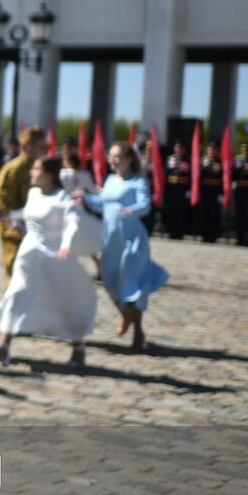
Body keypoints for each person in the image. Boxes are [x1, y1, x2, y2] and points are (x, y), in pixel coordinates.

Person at [0, 156, 102, 369]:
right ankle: (4, 345)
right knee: (16, 295)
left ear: (49, 174)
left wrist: (67, 244)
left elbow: (73, 223)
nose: (32, 171)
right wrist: (8, 216)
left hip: (54, 256)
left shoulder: (63, 198)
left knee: (64, 302)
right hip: (28, 255)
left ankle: (78, 347)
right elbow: (26, 213)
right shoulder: (32, 193)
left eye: (36, 168)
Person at [76, 143, 168, 351]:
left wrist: (131, 210)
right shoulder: (110, 180)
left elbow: (145, 205)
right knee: (110, 283)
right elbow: (102, 203)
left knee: (132, 286)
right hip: (111, 240)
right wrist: (85, 198)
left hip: (131, 240)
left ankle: (138, 331)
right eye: (111, 155)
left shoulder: (138, 180)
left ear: (129, 159)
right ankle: (126, 315)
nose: (113, 159)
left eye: (117, 156)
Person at [0, 126, 48, 277]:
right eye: (41, 146)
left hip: (34, 231)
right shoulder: (13, 169)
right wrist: (17, 226)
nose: (45, 150)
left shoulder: (41, 168)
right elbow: (2, 201)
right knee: (16, 273)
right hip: (14, 232)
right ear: (29, 147)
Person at [162, 141, 193, 239]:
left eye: (180, 148)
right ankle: (171, 231)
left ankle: (180, 232)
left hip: (182, 188)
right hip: (171, 188)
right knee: (172, 210)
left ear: (184, 150)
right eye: (177, 148)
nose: (178, 150)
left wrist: (189, 190)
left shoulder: (188, 160)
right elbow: (165, 173)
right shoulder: (169, 159)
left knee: (181, 211)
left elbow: (191, 175)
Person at [197, 141, 225, 242]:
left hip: (215, 191)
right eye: (210, 149)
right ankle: (204, 234)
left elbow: (223, 178)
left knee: (214, 214)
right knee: (204, 213)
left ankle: (213, 235)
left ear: (217, 151)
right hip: (205, 191)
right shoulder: (202, 161)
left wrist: (222, 193)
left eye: (214, 149)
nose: (211, 151)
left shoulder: (220, 162)